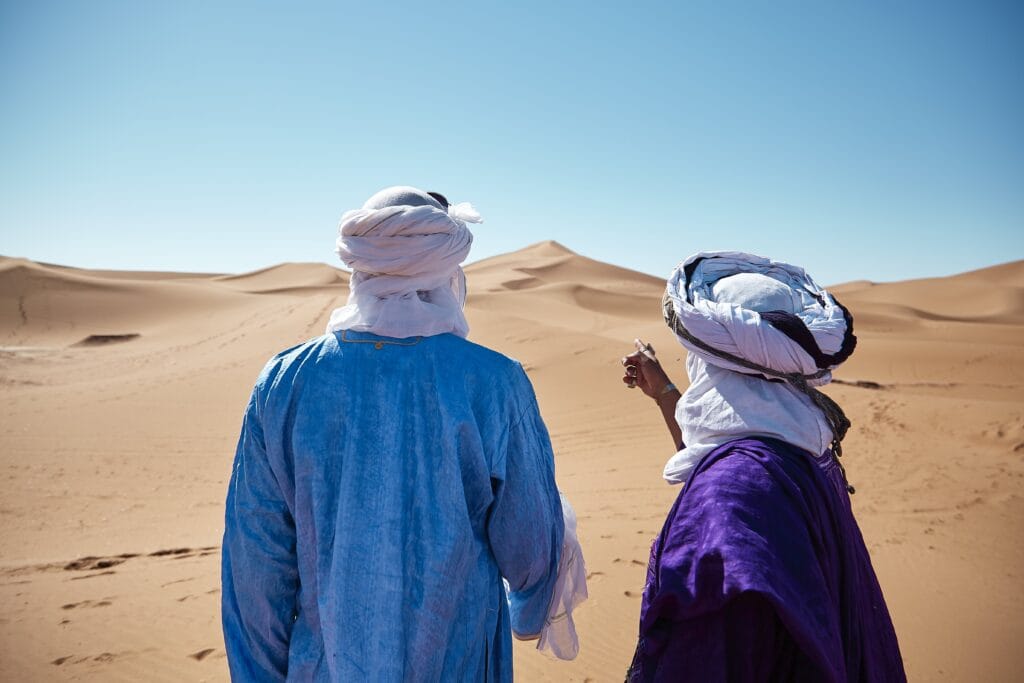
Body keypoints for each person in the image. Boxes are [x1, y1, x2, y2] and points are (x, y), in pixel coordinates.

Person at [221, 186, 585, 682]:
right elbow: (530, 550)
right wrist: (529, 605)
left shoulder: (286, 381)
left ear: (360, 267)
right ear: (447, 271)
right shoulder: (494, 382)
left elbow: (256, 569)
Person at [621, 251, 905, 682]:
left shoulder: (732, 491)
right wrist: (662, 390)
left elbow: (709, 654)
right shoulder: (803, 448)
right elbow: (731, 452)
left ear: (710, 357)